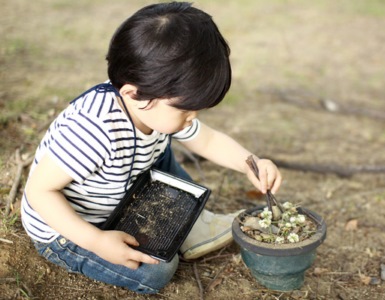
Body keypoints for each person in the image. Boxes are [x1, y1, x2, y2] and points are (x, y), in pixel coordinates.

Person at [20, 1, 282, 295]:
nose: (192, 118)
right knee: (157, 271)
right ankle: (180, 223)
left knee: (164, 150)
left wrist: (251, 162)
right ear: (133, 94)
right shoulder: (93, 129)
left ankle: (189, 224)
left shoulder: (150, 100)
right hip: (70, 228)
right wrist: (96, 241)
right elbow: (39, 192)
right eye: (184, 110)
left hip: (126, 184)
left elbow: (206, 139)